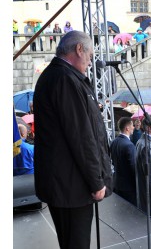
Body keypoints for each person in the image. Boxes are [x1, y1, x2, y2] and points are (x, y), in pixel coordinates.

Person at [33, 30, 113, 249]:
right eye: (90, 54)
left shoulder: (58, 76)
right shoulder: (65, 79)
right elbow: (81, 137)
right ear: (79, 49)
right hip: (70, 187)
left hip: (67, 184)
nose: (90, 61)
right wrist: (96, 181)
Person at [110, 117, 137, 205]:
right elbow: (133, 167)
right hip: (128, 187)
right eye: (132, 125)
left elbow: (113, 161)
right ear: (127, 128)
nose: (134, 127)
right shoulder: (129, 145)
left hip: (117, 183)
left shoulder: (114, 142)